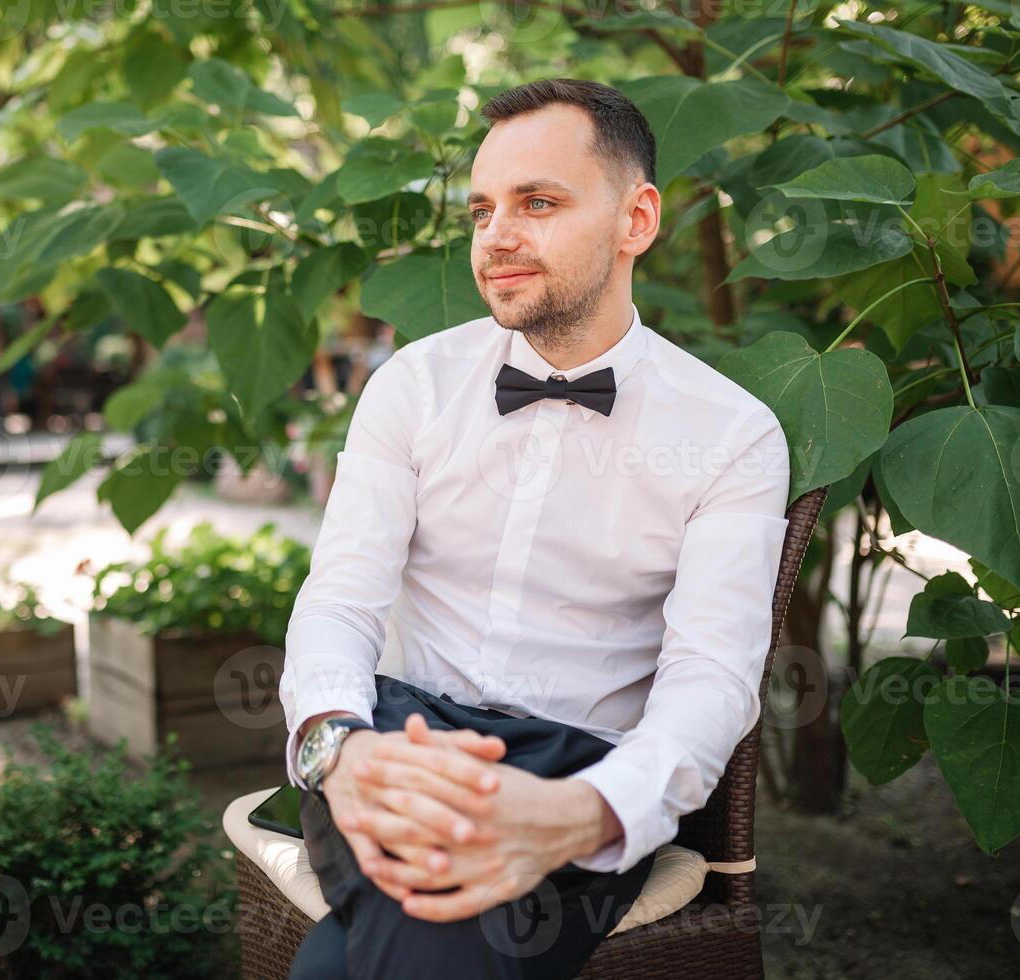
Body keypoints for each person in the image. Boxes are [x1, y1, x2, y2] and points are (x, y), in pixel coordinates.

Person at [277, 77, 792, 979]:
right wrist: (337, 748)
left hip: (580, 770)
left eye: (538, 203)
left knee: (371, 948)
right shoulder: (412, 386)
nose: (496, 237)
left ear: (636, 221)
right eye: (481, 210)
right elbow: (340, 600)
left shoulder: (732, 433)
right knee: (441, 920)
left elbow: (713, 679)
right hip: (393, 738)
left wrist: (587, 813)